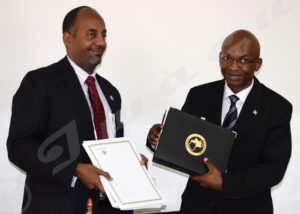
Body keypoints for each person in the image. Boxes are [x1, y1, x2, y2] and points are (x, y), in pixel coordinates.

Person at [7, 6, 147, 214]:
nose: (101, 42)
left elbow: (109, 149)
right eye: (92, 34)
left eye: (103, 35)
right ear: (68, 39)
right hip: (60, 206)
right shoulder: (41, 82)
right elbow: (19, 146)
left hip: (111, 206)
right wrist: (75, 170)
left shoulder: (110, 92)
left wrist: (129, 165)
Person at [147, 29, 292, 214]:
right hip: (197, 206)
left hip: (247, 208)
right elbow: (182, 145)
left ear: (258, 64)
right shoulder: (199, 95)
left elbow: (274, 169)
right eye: (226, 58)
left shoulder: (276, 107)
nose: (233, 66)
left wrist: (224, 183)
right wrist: (158, 138)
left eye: (243, 60)